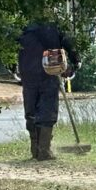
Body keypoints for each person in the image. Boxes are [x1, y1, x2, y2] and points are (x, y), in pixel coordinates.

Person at [18, 22, 79, 161]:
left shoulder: (23, 27)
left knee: (31, 110)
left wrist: (14, 68)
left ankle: (35, 150)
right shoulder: (54, 26)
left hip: (27, 73)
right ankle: (44, 151)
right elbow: (68, 43)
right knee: (48, 109)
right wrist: (76, 62)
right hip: (49, 71)